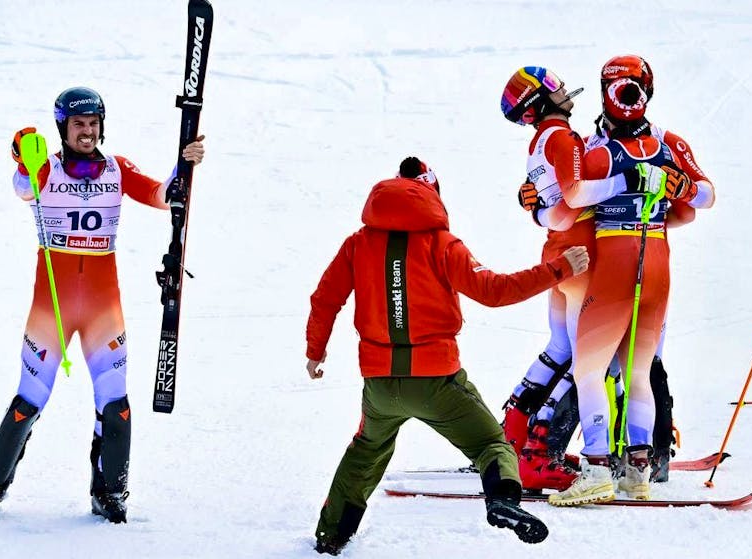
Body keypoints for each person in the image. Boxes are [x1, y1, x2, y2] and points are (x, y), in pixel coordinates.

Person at [306, 157, 589, 554]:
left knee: (366, 451)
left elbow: (325, 299)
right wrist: (559, 269)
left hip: (380, 385)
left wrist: (314, 352)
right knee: (493, 445)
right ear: (431, 195)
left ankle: (330, 535)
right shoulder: (441, 244)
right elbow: (494, 290)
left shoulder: (358, 242)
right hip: (438, 382)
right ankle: (503, 500)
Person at [0, 86, 206, 523]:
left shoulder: (116, 168)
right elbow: (24, 187)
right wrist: (24, 153)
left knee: (115, 404)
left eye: (94, 123)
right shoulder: (48, 169)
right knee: (29, 400)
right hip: (51, 307)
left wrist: (185, 163)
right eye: (79, 124)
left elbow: (163, 194)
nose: (87, 132)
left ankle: (109, 492)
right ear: (63, 127)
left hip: (102, 308)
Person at [549, 55, 714, 505]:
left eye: (629, 88)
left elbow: (566, 206)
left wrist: (539, 205)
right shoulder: (668, 143)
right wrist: (670, 189)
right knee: (638, 370)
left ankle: (598, 467)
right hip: (656, 253)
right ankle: (637, 471)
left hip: (617, 257)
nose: (626, 97)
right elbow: (701, 200)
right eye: (622, 88)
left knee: (588, 368)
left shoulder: (596, 150)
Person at [498, 66, 623, 491]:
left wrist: (535, 211)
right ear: (540, 100)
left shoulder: (540, 142)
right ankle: (538, 451)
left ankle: (512, 436)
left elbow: (551, 204)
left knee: (561, 347)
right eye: (553, 85)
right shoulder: (562, 138)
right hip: (581, 256)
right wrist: (629, 179)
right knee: (587, 357)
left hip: (560, 251)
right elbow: (572, 199)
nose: (564, 88)